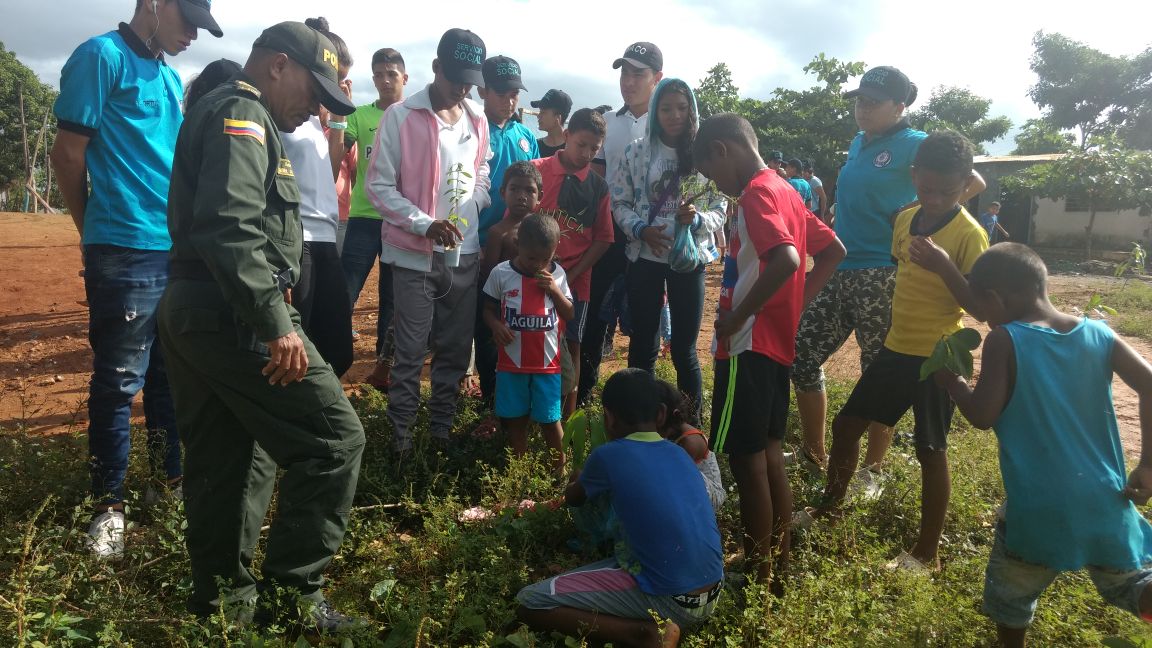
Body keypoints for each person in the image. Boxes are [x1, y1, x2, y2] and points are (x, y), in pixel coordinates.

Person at [159, 21, 362, 629]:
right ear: (277, 65)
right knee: (335, 439)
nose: (318, 107)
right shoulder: (242, 118)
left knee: (232, 461)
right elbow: (230, 226)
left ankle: (224, 610)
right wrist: (277, 324)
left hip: (202, 310)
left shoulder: (240, 115)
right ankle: (293, 598)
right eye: (314, 89)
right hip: (235, 314)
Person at [50, 0, 222, 558]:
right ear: (153, 3)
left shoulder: (170, 77)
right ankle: (109, 507)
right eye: (188, 20)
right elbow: (68, 156)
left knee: (170, 377)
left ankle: (167, 482)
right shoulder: (102, 57)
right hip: (123, 248)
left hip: (172, 250)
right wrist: (93, 231)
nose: (194, 34)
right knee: (119, 381)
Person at [936, 243, 1152, 648]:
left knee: (1011, 599)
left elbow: (982, 416)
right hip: (1106, 498)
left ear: (996, 299)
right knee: (1133, 585)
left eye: (983, 307)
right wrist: (1149, 466)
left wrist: (954, 383)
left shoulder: (1005, 339)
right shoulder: (1099, 334)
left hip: (1036, 507)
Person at [802, 131, 990, 573]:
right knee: (847, 427)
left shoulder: (970, 234)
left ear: (966, 186)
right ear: (913, 179)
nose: (936, 199)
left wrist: (943, 264)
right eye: (926, 190)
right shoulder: (905, 220)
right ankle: (830, 510)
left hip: (937, 359)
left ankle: (928, 554)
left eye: (948, 192)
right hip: (895, 348)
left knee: (931, 451)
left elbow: (979, 306)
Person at [790, 66, 986, 482]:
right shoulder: (858, 143)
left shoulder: (915, 143)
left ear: (900, 106)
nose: (862, 109)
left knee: (877, 370)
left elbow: (974, 181)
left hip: (882, 271)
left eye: (873, 102)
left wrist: (925, 212)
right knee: (802, 353)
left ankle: (872, 469)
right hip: (839, 265)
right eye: (859, 100)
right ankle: (814, 453)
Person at [692, 113, 844, 587]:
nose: (720, 185)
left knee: (745, 462)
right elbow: (833, 250)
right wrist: (793, 304)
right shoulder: (786, 191)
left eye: (714, 175)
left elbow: (788, 259)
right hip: (775, 342)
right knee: (770, 455)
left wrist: (740, 316)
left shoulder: (757, 193)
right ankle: (779, 558)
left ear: (722, 150)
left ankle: (758, 570)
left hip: (747, 345)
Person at [516, 368, 723, 648]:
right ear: (661, 415)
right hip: (712, 591)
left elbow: (575, 499)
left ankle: (642, 633)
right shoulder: (678, 451)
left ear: (609, 418)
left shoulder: (607, 455)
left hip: (671, 601)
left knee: (530, 602)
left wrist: (578, 476)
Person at [364, 28, 491, 454]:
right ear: (436, 68)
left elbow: (482, 170)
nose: (462, 87)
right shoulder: (401, 117)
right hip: (414, 255)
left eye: (469, 80)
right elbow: (379, 187)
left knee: (455, 349)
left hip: (465, 253)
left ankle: (440, 433)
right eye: (455, 77)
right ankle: (400, 442)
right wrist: (424, 223)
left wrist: (476, 202)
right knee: (410, 351)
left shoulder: (477, 119)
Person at [611, 78, 727, 422]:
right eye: (666, 108)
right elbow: (619, 201)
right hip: (645, 260)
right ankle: (639, 420)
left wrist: (696, 220)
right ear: (655, 111)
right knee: (643, 344)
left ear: (692, 109)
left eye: (681, 107)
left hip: (688, 262)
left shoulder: (704, 155)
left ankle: (692, 424)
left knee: (684, 350)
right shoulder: (636, 151)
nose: (674, 115)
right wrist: (640, 230)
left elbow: (720, 209)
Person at [580, 42, 663, 407]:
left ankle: (638, 408)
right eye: (624, 73)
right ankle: (582, 397)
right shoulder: (609, 124)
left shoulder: (667, 127)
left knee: (644, 326)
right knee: (595, 319)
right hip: (609, 237)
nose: (628, 82)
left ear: (656, 78)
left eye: (638, 74)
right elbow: (594, 179)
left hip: (650, 242)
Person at [281, 16, 354, 378]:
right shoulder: (282, 114)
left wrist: (337, 121)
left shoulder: (312, 120)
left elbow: (329, 174)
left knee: (338, 350)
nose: (333, 88)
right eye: (330, 79)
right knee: (303, 344)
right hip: (299, 239)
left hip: (325, 236)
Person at [532, 107, 614, 418]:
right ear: (566, 135)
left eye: (594, 149)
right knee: (532, 335)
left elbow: (604, 238)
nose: (587, 154)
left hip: (577, 283)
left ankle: (567, 416)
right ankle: (534, 408)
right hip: (533, 274)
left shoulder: (598, 187)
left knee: (573, 344)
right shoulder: (535, 171)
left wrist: (571, 275)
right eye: (581, 144)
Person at [483, 213, 574, 474]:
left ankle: (560, 469)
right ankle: (519, 471)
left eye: (546, 259)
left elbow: (569, 313)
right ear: (517, 244)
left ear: (554, 252)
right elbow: (487, 309)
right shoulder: (501, 274)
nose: (538, 265)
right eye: (532, 258)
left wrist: (555, 291)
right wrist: (496, 325)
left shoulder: (557, 275)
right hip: (512, 364)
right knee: (515, 419)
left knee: (550, 417)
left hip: (547, 364)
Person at [475, 55, 540, 409]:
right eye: (501, 92)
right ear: (482, 90)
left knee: (515, 323)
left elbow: (535, 188)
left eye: (515, 92)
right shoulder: (473, 129)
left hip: (518, 253)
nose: (509, 99)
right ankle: (489, 401)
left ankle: (517, 402)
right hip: (481, 245)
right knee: (485, 324)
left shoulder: (526, 135)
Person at [343, 47, 408, 391]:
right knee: (346, 290)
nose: (385, 81)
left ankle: (385, 367)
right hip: (364, 216)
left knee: (393, 297)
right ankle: (333, 358)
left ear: (404, 78)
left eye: (391, 75)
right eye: (379, 75)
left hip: (399, 220)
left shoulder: (414, 116)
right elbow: (337, 153)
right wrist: (340, 114)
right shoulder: (360, 115)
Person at [655, 379, 726, 510]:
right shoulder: (672, 432)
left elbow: (675, 476)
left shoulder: (689, 442)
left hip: (712, 495)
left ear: (662, 415)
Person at [532, 88, 572, 157]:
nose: (538, 116)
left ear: (558, 118)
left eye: (543, 112)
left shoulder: (572, 149)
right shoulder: (535, 146)